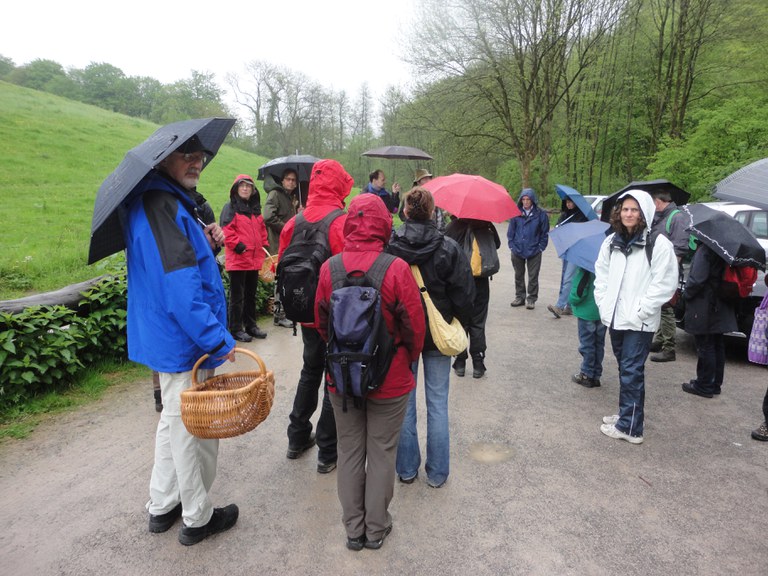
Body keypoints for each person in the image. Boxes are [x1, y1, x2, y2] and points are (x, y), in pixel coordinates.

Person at [123, 134, 238, 546]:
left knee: (174, 421)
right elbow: (180, 290)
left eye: (200, 156)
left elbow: (176, 265)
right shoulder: (163, 206)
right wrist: (218, 340)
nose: (196, 163)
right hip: (184, 340)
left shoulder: (165, 202)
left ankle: (163, 504)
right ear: (161, 159)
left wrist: (205, 243)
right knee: (194, 428)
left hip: (171, 336)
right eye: (185, 155)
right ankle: (197, 517)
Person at [315, 193, 425, 551]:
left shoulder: (330, 268)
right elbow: (415, 327)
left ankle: (353, 530)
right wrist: (405, 356)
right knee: (381, 452)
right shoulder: (395, 269)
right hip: (389, 380)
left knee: (348, 452)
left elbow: (321, 323)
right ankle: (376, 529)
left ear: (349, 223)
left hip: (342, 379)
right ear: (383, 224)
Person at [387, 187, 475, 489]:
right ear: (433, 212)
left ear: (406, 211)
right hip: (439, 333)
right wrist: (457, 322)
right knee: (438, 404)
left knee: (405, 405)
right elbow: (465, 293)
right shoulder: (448, 247)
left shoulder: (391, 245)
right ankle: (437, 473)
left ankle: (407, 469)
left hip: (402, 335)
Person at [279, 159, 350, 474]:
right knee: (334, 377)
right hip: (333, 314)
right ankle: (327, 450)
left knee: (310, 369)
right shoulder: (340, 221)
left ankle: (296, 437)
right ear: (338, 184)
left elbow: (282, 265)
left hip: (304, 312)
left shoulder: (293, 223)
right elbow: (349, 269)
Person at [594, 190, 677, 444]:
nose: (629, 214)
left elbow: (665, 283)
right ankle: (626, 414)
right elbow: (602, 275)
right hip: (616, 318)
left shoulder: (658, 243)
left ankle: (630, 428)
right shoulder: (612, 241)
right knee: (625, 368)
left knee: (631, 370)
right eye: (625, 209)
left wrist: (643, 309)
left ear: (644, 213)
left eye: (635, 209)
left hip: (639, 321)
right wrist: (603, 303)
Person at [445, 218, 500, 378]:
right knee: (478, 322)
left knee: (461, 321)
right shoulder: (486, 223)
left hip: (459, 282)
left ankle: (460, 362)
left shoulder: (455, 225)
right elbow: (496, 244)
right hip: (481, 281)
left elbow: (445, 247)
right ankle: (478, 363)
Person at [680, 243, 737, 398]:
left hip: (705, 303)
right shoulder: (725, 249)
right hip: (720, 303)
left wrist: (686, 294)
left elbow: (697, 279)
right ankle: (714, 384)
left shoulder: (705, 250)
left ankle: (704, 385)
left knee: (705, 345)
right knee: (717, 344)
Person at [220, 174, 269, 342]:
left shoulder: (255, 209)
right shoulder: (230, 208)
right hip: (238, 260)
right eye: (242, 186)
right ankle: (235, 329)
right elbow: (226, 230)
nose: (245, 188)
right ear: (236, 189)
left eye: (248, 186)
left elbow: (262, 230)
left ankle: (251, 326)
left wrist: (264, 243)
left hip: (253, 260)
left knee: (250, 295)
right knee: (237, 297)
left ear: (253, 190)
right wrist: (237, 245)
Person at [649, 190, 690, 362]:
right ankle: (659, 340)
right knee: (660, 305)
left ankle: (669, 348)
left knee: (666, 308)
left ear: (658, 201)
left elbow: (680, 247)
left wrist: (668, 270)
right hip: (659, 268)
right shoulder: (663, 216)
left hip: (668, 270)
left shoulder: (677, 217)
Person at [263, 169, 300, 328]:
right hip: (278, 245)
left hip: (289, 245)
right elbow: (268, 216)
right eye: (288, 179)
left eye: (293, 180)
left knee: (285, 279)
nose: (291, 182)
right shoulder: (275, 195)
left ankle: (283, 313)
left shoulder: (292, 198)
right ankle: (279, 315)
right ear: (282, 181)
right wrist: (287, 229)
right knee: (280, 281)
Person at [507, 188, 550, 310]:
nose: (525, 202)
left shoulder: (540, 215)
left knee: (533, 276)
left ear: (532, 200)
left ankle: (531, 299)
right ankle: (520, 297)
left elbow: (544, 233)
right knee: (518, 275)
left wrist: (541, 247)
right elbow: (511, 232)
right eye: (523, 199)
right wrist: (511, 245)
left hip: (534, 250)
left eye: (528, 199)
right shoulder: (515, 213)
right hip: (517, 250)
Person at [547, 197, 589, 318]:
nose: (568, 204)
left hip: (577, 250)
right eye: (567, 202)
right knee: (567, 277)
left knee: (568, 278)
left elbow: (583, 233)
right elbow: (558, 228)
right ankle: (569, 306)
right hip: (567, 249)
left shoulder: (582, 217)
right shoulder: (565, 215)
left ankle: (560, 306)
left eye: (571, 202)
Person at [568, 266, 606, 388]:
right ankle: (596, 374)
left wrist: (571, 300)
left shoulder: (586, 267)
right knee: (599, 344)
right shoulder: (607, 268)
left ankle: (587, 373)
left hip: (586, 312)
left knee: (587, 344)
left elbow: (579, 291)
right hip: (602, 311)